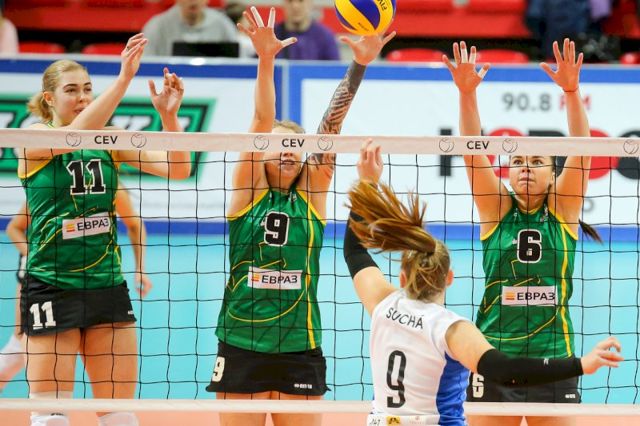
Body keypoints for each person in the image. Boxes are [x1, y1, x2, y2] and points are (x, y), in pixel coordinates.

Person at [343, 140, 622, 426]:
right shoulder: (450, 330)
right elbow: (506, 369)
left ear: (402, 277)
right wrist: (580, 365)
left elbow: (353, 251)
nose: (526, 167)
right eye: (518, 161)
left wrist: (367, 184)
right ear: (449, 278)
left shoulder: (384, 306)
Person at [206, 6, 394, 426]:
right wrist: (266, 59)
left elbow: (330, 127)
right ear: (262, 153)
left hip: (299, 344)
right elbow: (261, 120)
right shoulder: (247, 195)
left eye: (295, 145)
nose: (289, 151)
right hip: (240, 340)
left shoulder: (310, 196)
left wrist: (360, 65)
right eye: (279, 145)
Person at [19, 33, 191, 426]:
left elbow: (178, 169)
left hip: (106, 284)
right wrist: (124, 78)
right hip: (51, 284)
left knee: (119, 415)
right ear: (49, 99)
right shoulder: (32, 139)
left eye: (87, 89)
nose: (82, 97)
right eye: (71, 90)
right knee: (50, 416)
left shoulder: (108, 141)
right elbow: (73, 137)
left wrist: (169, 118)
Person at [444, 39, 599, 425]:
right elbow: (471, 150)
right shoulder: (496, 209)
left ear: (553, 173)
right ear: (508, 171)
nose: (525, 167)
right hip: (494, 355)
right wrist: (466, 94)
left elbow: (583, 148)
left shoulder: (563, 210)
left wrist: (571, 91)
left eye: (536, 161)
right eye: (517, 161)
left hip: (554, 357)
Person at [0, 186, 152, 394]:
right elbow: (14, 228)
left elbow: (135, 224)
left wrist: (141, 269)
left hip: (97, 290)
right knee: (17, 347)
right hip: (43, 279)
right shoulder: (52, 185)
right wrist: (36, 255)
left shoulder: (109, 186)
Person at [142, 0, 238, 57]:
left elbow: (236, 61)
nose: (193, 0)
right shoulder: (157, 26)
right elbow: (146, 62)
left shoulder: (223, 24)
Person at [274, 0, 340, 60]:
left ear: (310, 3)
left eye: (301, 1)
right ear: (284, 3)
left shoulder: (325, 36)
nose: (295, 6)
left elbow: (334, 67)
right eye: (290, 1)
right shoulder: (273, 36)